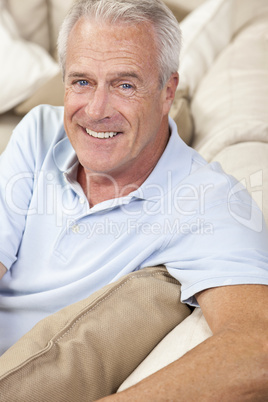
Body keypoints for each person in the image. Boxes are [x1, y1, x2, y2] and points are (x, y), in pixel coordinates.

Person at [0, 0, 267, 399]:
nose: (95, 110)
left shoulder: (208, 200)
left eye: (125, 85)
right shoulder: (39, 132)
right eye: (82, 81)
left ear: (167, 92)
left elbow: (257, 348)